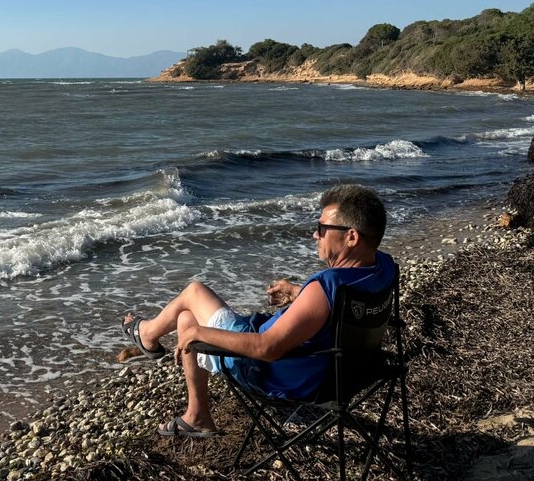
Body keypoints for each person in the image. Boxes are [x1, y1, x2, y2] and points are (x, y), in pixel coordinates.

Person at [121, 184, 397, 438]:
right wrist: (298, 293)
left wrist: (199, 333)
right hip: (345, 373)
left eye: (322, 228)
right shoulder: (384, 267)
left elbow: (268, 349)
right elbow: (340, 308)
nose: (315, 234)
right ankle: (192, 409)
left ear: (351, 236)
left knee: (192, 300)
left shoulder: (325, 287)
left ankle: (149, 337)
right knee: (188, 316)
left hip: (273, 373)